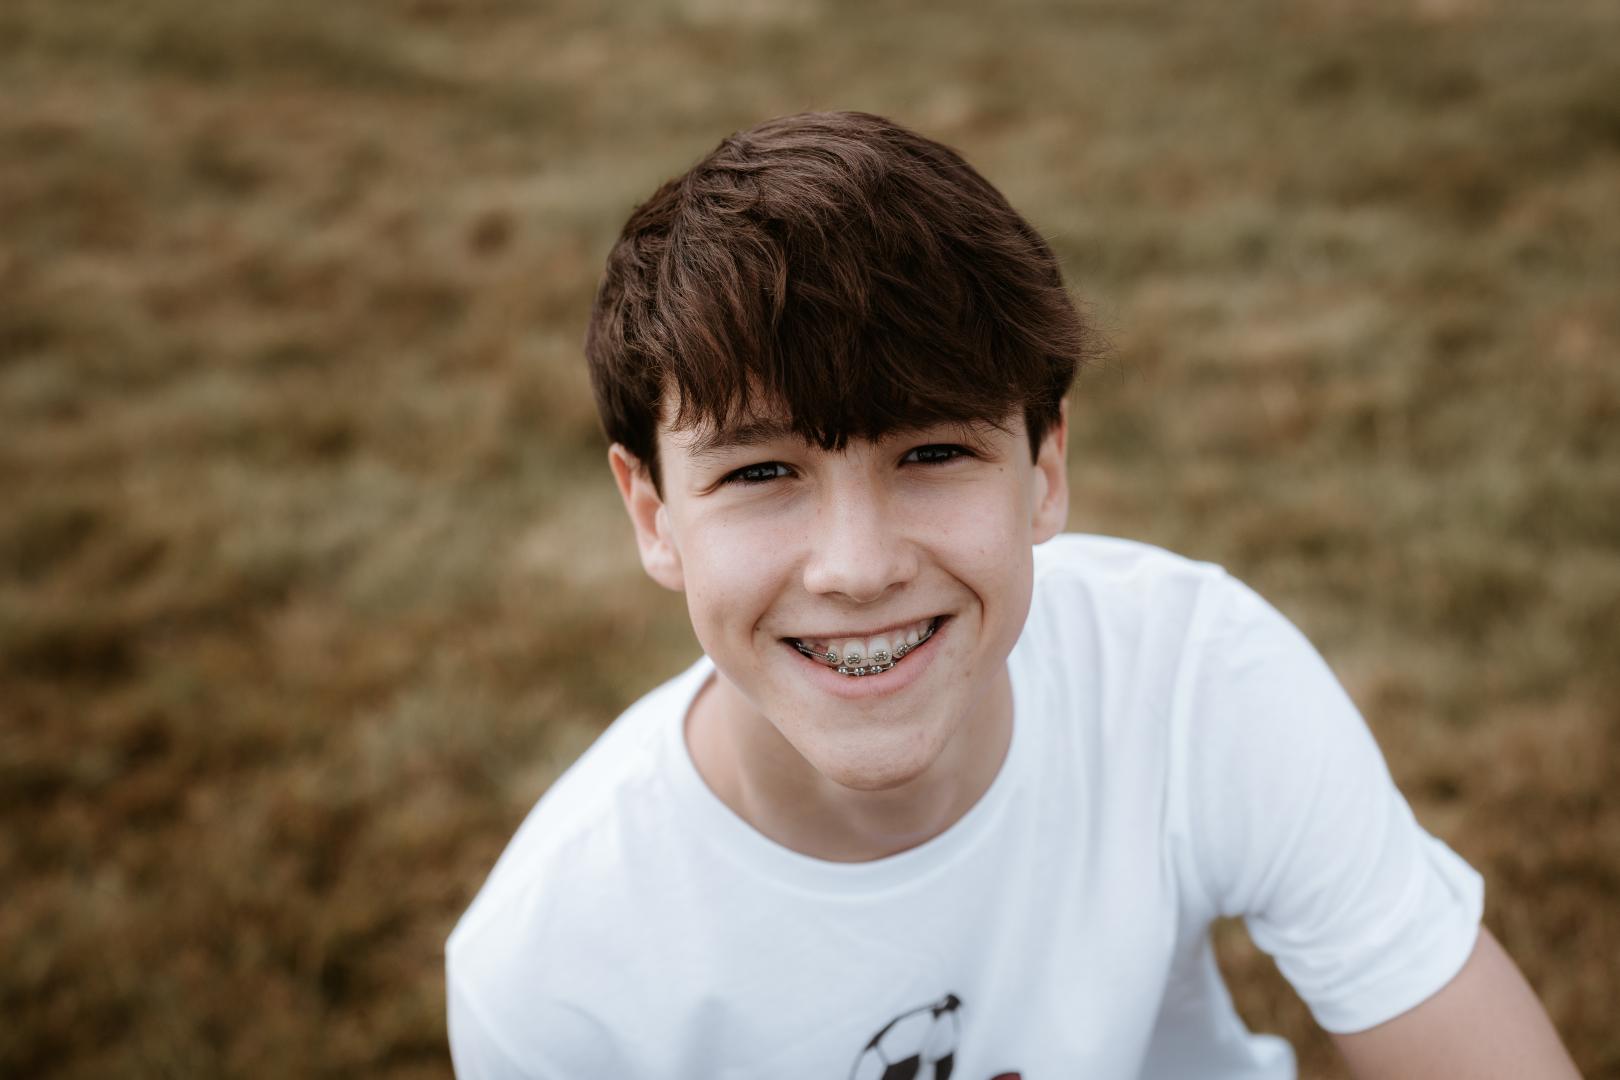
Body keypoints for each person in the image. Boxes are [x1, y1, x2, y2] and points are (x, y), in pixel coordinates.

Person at [445, 111, 1579, 1079]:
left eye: (931, 454)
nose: (858, 565)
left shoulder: (1191, 677)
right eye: (760, 472)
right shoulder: (553, 969)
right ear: (654, 516)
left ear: (1044, 470)